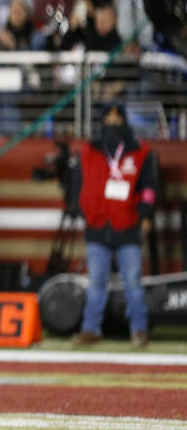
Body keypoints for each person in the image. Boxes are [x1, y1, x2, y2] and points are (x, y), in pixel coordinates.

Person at [72, 102, 158, 347]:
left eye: (117, 117)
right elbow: (78, 184)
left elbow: (150, 187)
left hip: (128, 224)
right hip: (98, 224)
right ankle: (91, 329)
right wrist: (83, 209)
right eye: (108, 117)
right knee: (96, 280)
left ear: (124, 120)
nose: (112, 122)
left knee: (132, 280)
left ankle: (139, 329)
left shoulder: (140, 151)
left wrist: (145, 214)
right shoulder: (88, 151)